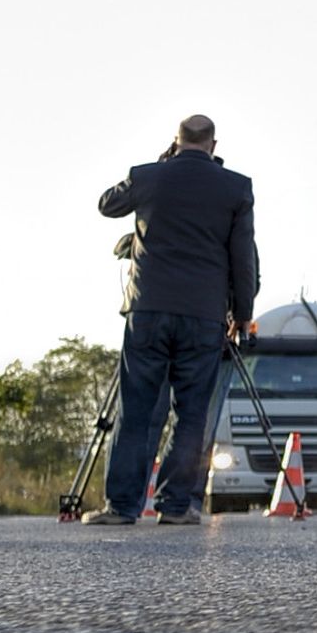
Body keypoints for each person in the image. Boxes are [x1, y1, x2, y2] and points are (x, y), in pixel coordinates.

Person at [85, 114, 259, 526]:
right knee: (192, 413)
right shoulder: (236, 188)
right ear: (213, 145)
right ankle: (176, 506)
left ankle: (123, 507)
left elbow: (107, 204)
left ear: (176, 142)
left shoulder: (148, 177)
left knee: (138, 409)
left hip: (148, 311)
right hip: (204, 316)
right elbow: (243, 258)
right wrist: (243, 315)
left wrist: (160, 164)